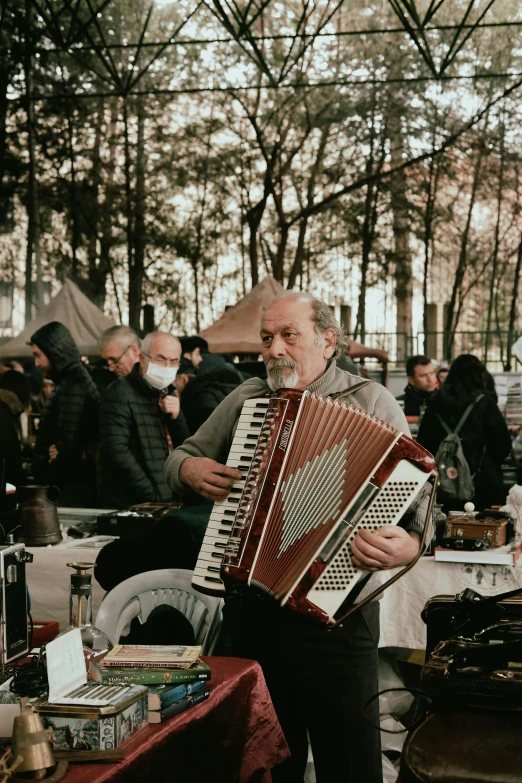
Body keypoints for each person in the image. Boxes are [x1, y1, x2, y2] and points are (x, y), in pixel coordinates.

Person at [164, 291, 431, 783]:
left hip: (337, 618)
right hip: (251, 613)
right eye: (267, 338)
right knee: (264, 762)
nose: (274, 349)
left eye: (290, 335)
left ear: (329, 341)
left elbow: (423, 513)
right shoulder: (246, 398)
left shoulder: (370, 400)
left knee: (349, 762)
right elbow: (178, 457)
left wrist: (409, 546)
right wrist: (190, 468)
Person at [98, 330, 190, 509]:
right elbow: (116, 451)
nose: (166, 366)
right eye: (160, 359)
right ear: (142, 358)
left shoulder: (167, 392)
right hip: (133, 504)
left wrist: (177, 418)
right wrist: (153, 494)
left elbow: (186, 446)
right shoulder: (118, 392)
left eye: (173, 361)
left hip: (166, 502)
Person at [417, 354, 511, 511]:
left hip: (443, 490)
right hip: (483, 488)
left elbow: (423, 447)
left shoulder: (434, 404)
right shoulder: (485, 405)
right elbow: (502, 447)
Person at [30, 322, 100, 507]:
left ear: (55, 352)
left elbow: (66, 447)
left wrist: (48, 485)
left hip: (71, 488)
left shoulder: (73, 384)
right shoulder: (72, 380)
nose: (36, 363)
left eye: (38, 355)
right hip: (72, 485)